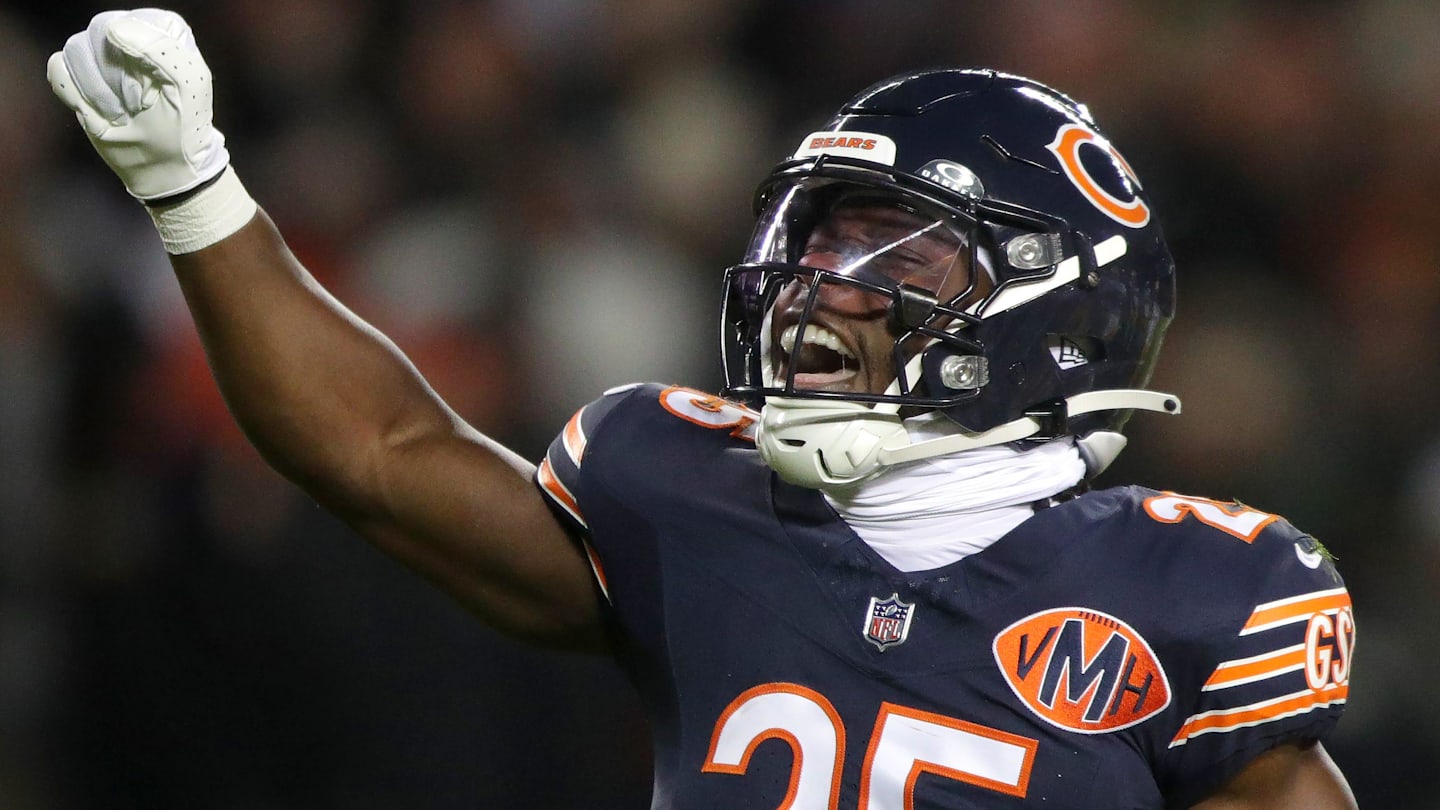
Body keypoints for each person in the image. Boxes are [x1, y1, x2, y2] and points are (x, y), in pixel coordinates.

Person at [47, 9, 1358, 809]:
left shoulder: (1196, 596)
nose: (822, 284)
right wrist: (194, 187)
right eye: (818, 238)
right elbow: (381, 452)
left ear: (1053, 311)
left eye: (897, 252)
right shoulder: (687, 494)